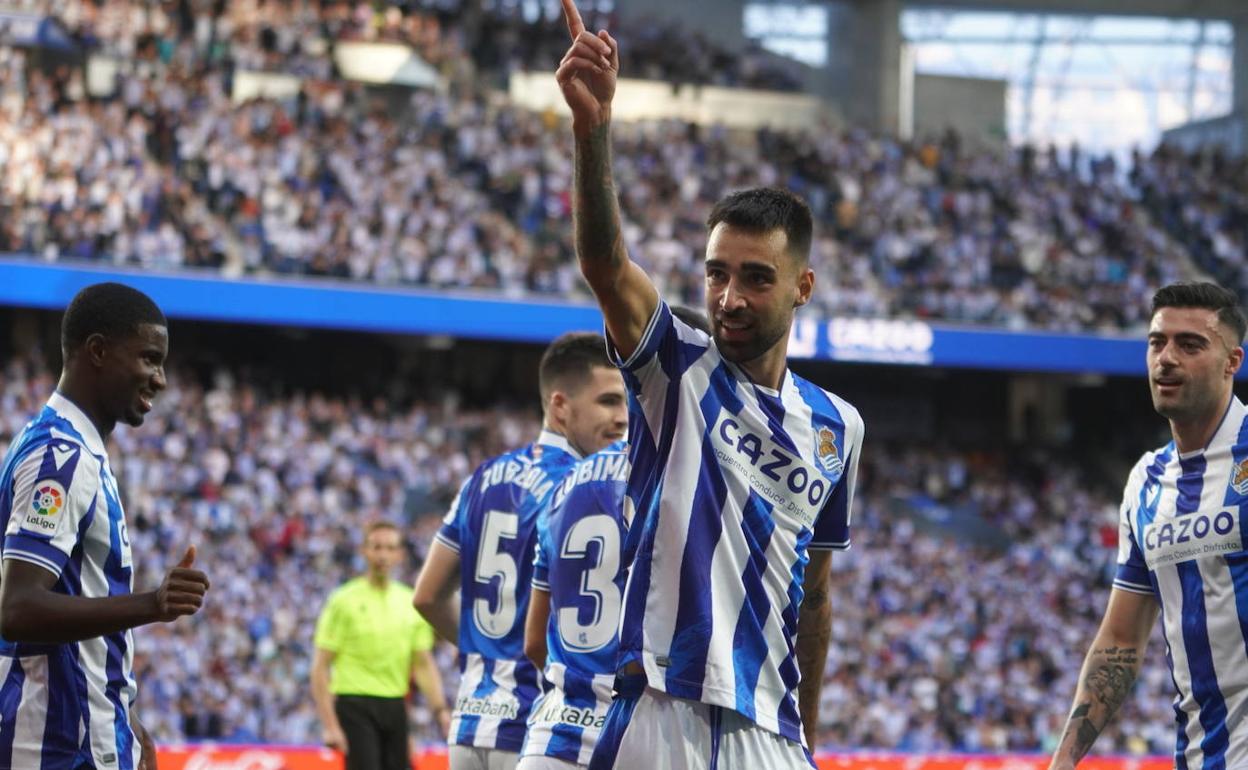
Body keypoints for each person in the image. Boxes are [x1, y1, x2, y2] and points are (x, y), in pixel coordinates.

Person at [554, 3, 865, 767]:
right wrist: (594, 133)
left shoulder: (837, 427)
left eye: (757, 279)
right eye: (717, 274)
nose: (729, 297)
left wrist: (808, 734)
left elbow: (814, 598)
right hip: (662, 713)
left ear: (803, 288)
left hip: (772, 731)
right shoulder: (677, 366)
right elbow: (605, 266)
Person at [0, 282, 211, 770]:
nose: (159, 379)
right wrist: (151, 604)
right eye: (148, 359)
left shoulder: (78, 450)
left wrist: (126, 718)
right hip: (53, 747)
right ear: (96, 351)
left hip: (89, 735)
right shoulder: (61, 456)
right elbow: (18, 607)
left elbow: (78, 605)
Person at [1049, 282, 1248, 770]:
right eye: (1157, 342)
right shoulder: (1145, 481)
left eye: (1190, 344)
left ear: (1232, 361)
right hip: (1201, 756)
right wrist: (1062, 764)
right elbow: (1120, 640)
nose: (1167, 358)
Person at [414, 332, 627, 770]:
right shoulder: (584, 486)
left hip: (470, 724)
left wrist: (489, 651)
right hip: (542, 726)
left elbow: (427, 596)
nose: (623, 418)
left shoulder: (482, 478)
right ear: (560, 405)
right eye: (608, 402)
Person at [517, 308, 711, 770]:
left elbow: (534, 640)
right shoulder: (695, 481)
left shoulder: (569, 482)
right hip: (641, 741)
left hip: (554, 739)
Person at [520, 440, 630, 770]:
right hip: (631, 733)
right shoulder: (670, 471)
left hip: (552, 735)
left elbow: (534, 643)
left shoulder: (561, 487)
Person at [311, 520, 450, 770]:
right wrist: (330, 726)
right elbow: (320, 668)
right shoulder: (343, 601)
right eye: (376, 547)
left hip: (395, 704)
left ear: (400, 555)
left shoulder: (410, 602)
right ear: (364, 551)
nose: (382, 555)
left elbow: (422, 664)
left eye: (389, 548)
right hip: (354, 703)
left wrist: (440, 710)